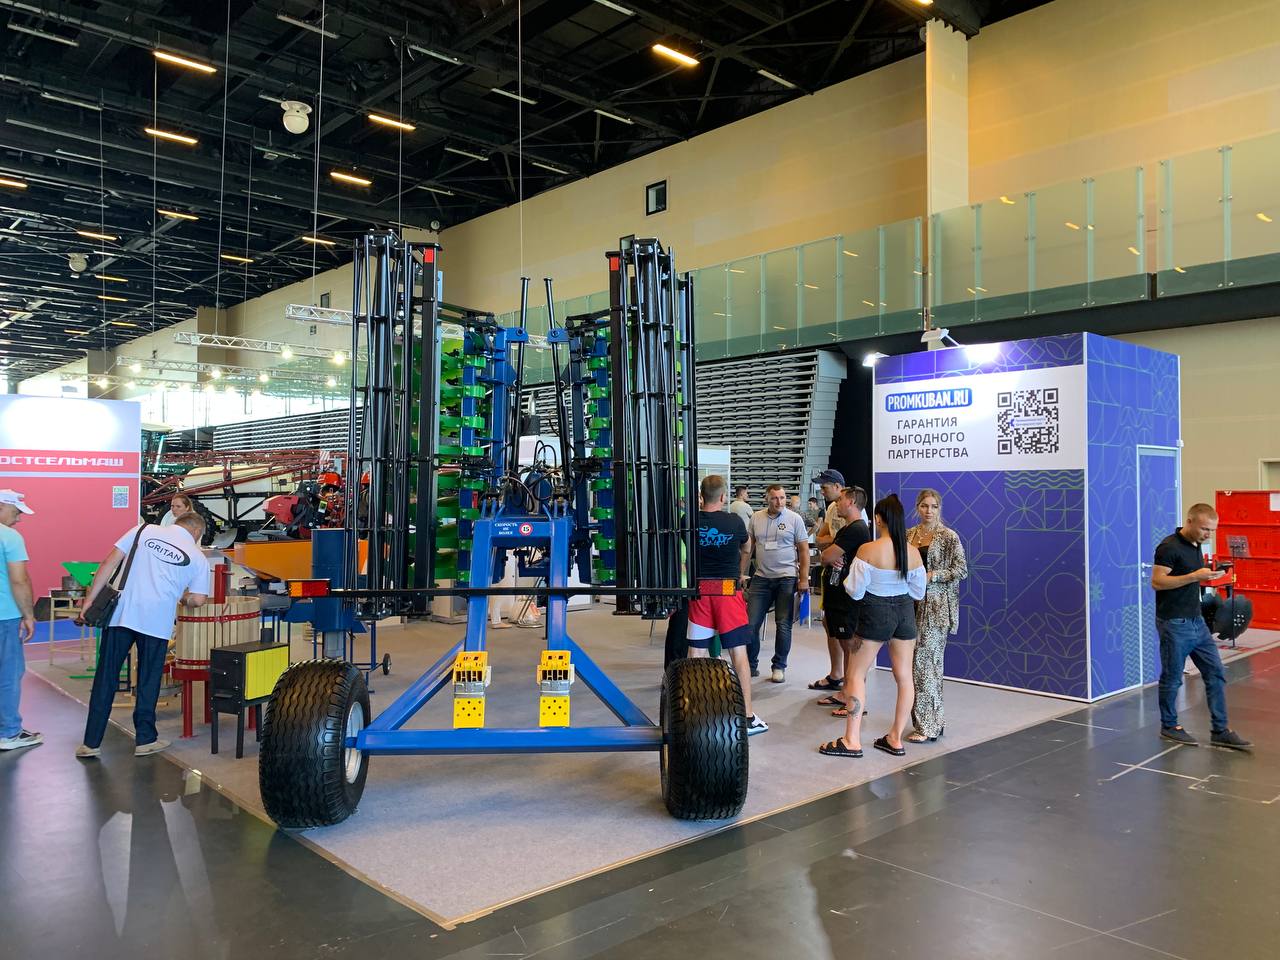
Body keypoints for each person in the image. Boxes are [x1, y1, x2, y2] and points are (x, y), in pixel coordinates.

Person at [76, 512, 211, 759]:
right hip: (156, 622)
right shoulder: (198, 558)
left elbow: (108, 564)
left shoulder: (142, 530)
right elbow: (199, 600)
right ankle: (145, 740)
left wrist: (89, 601)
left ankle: (90, 743)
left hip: (122, 615)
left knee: (106, 676)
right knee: (148, 680)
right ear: (197, 532)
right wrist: (182, 597)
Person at [819, 494, 926, 759]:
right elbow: (918, 592)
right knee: (904, 677)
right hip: (904, 614)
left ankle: (851, 740)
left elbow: (855, 591)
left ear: (878, 519)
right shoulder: (912, 552)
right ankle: (895, 738)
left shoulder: (868, 550)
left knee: (856, 674)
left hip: (874, 613)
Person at [1151, 504, 1250, 750]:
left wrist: (1206, 578)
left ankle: (1220, 730)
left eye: (1212, 530)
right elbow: (1158, 582)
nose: (1209, 534)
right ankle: (1169, 726)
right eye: (1205, 529)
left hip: (1196, 622)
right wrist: (1195, 576)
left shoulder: (1196, 544)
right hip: (1174, 623)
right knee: (1172, 678)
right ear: (1190, 522)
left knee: (1215, 673)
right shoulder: (1168, 547)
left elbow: (1187, 580)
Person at [687, 474, 767, 735]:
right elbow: (747, 546)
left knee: (696, 653)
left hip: (700, 592)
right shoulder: (734, 521)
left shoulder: (689, 520)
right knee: (738, 653)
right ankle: (747, 717)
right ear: (723, 497)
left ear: (701, 496)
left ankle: (692, 716)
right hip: (727, 592)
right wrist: (740, 570)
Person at [905, 489, 967, 743]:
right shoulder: (909, 535)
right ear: (917, 508)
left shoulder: (949, 536)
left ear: (939, 508)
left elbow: (961, 569)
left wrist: (933, 576)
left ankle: (928, 726)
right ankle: (933, 721)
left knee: (926, 665)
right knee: (917, 666)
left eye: (933, 506)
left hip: (936, 609)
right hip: (911, 605)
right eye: (924, 506)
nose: (928, 511)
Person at [741, 484, 810, 682]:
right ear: (767, 499)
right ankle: (750, 665)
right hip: (761, 578)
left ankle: (779, 666)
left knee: (783, 624)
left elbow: (804, 551)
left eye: (782, 497)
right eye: (774, 498)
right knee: (751, 624)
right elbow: (748, 548)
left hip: (786, 578)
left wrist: (803, 578)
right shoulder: (756, 518)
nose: (779, 502)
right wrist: (740, 573)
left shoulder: (794, 519)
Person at [814, 486, 871, 716]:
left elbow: (826, 555)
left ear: (851, 502)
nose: (836, 504)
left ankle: (853, 697)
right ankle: (845, 692)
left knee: (850, 646)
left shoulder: (856, 529)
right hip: (837, 595)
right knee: (844, 643)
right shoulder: (847, 528)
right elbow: (825, 551)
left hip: (846, 598)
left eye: (840, 500)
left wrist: (828, 555)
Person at [0, 490, 39, 752]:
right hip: (4, 616)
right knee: (8, 674)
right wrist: (29, 615)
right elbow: (19, 579)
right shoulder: (9, 537)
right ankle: (9, 732)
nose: (18, 519)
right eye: (16, 513)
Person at [810, 468, 850, 692]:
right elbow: (819, 538)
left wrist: (833, 545)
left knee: (845, 631)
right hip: (831, 573)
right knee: (829, 623)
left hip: (845, 575)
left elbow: (851, 541)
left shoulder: (852, 508)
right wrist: (834, 543)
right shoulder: (833, 508)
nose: (822, 491)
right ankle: (836, 674)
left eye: (824, 487)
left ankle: (850, 683)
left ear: (837, 486)